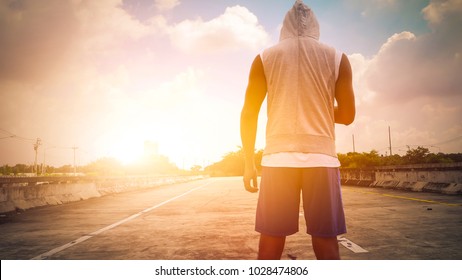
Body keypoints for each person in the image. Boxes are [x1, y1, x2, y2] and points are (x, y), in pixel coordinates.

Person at [240, 0, 355, 260]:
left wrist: (249, 162)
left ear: (284, 27)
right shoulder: (338, 58)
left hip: (278, 160)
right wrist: (319, 109)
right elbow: (347, 115)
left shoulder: (264, 58)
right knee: (326, 241)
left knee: (271, 239)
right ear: (316, 26)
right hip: (322, 159)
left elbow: (249, 113)